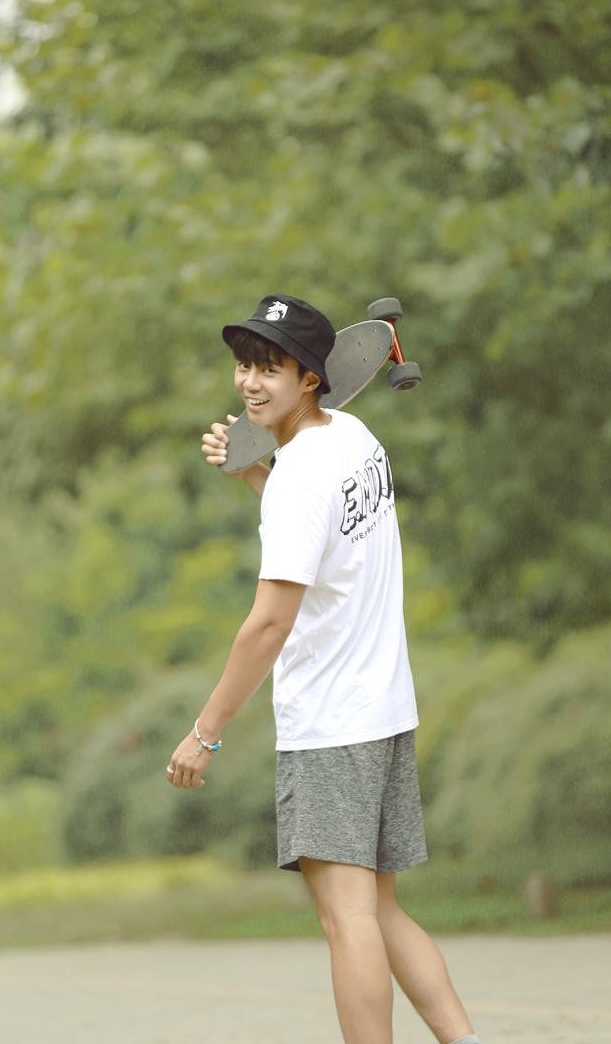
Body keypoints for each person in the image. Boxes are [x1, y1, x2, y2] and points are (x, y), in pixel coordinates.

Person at [167, 293, 480, 1044]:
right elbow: (321, 536)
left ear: (312, 376)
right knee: (379, 908)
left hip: (332, 727)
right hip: (384, 711)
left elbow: (268, 624)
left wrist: (205, 732)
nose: (250, 383)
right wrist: (255, 475)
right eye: (244, 365)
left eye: (270, 369)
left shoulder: (302, 477)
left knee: (346, 920)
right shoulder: (355, 438)